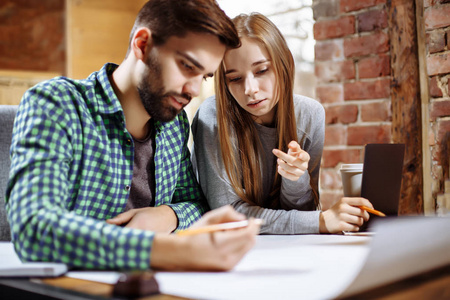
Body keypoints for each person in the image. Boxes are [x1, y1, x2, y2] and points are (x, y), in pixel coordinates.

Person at [5, 0, 260, 272]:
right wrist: (171, 251)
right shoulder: (56, 105)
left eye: (204, 76)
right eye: (187, 66)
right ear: (142, 45)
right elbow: (33, 227)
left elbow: (195, 204)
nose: (194, 90)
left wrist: (166, 215)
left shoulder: (174, 124)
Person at [191, 12, 373, 234]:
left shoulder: (310, 114)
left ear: (284, 63)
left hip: (288, 249)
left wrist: (295, 179)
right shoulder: (211, 117)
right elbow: (227, 216)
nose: (250, 89)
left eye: (262, 70)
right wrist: (321, 221)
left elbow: (302, 210)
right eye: (235, 78)